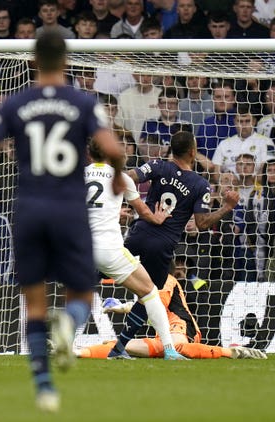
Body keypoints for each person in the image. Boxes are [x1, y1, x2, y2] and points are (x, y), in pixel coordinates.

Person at [0, 31, 127, 412]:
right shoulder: (82, 102)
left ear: (33, 60)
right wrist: (120, 174)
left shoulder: (15, 102)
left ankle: (44, 388)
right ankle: (70, 323)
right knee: (82, 295)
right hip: (69, 209)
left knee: (35, 304)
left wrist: (13, 141)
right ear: (66, 61)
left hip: (30, 208)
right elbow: (111, 148)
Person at [106, 130, 240, 359]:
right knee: (148, 294)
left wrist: (122, 203)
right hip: (162, 245)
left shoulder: (159, 165)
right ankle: (120, 347)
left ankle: (71, 289)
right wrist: (227, 207)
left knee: (102, 265)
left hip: (140, 232)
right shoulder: (200, 185)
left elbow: (127, 177)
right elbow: (202, 223)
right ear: (193, 152)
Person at [85, 139, 187, 360]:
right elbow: (144, 212)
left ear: (88, 155)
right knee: (150, 292)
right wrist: (158, 218)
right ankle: (170, 350)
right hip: (109, 249)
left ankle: (61, 341)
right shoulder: (121, 179)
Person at [76, 269, 266, 359]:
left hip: (182, 328)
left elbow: (155, 304)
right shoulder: (146, 283)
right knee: (115, 345)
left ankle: (232, 352)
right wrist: (124, 307)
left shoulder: (166, 279)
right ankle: (77, 352)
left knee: (178, 346)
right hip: (163, 338)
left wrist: (123, 307)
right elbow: (150, 310)